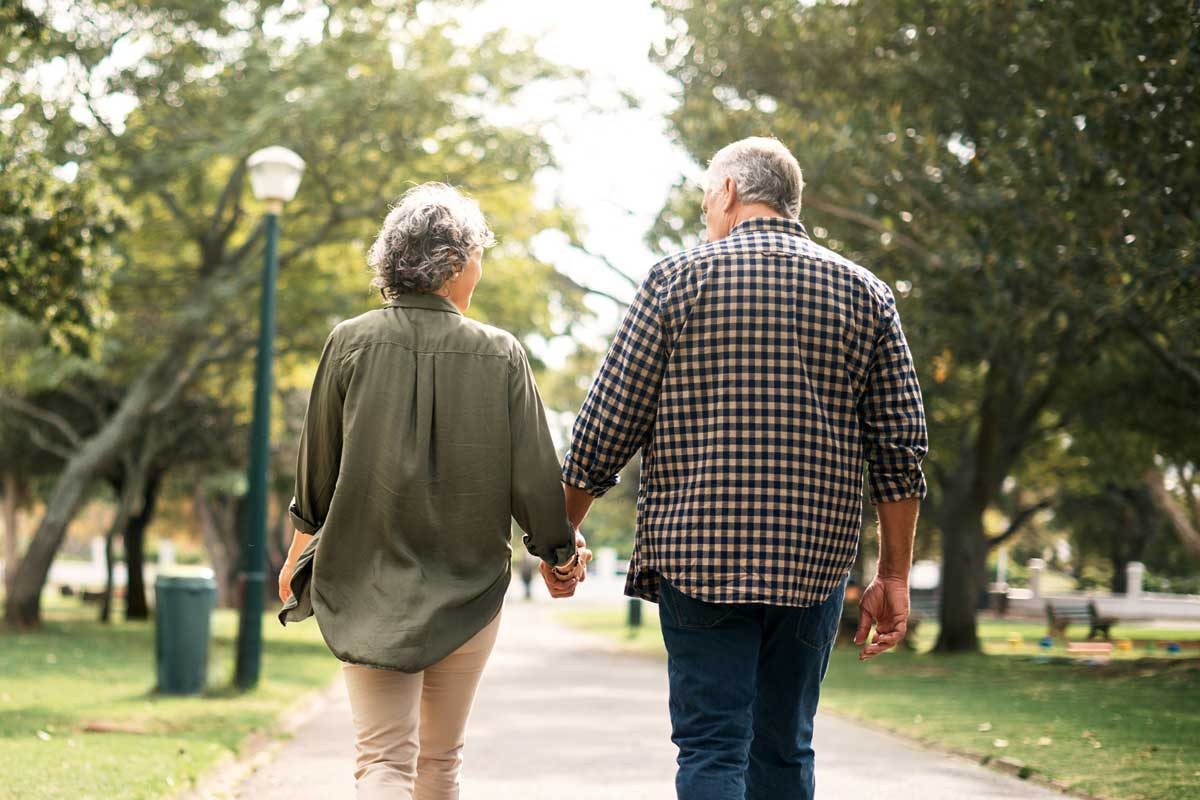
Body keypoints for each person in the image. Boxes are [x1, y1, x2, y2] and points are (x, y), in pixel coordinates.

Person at [553, 137, 929, 800]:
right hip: (812, 563)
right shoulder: (865, 294)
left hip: (701, 557)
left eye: (706, 200)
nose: (707, 214)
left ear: (727, 192)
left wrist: (562, 538)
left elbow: (605, 430)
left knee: (712, 748)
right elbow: (899, 452)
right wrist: (893, 573)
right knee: (785, 750)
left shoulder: (676, 281)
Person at [277, 182, 587, 800]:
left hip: (363, 581)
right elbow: (533, 478)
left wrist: (295, 557)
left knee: (382, 761)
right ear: (454, 265)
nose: (480, 269)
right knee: (440, 763)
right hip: (467, 587)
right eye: (478, 256)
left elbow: (318, 470)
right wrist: (558, 554)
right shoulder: (501, 354)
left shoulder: (350, 341)